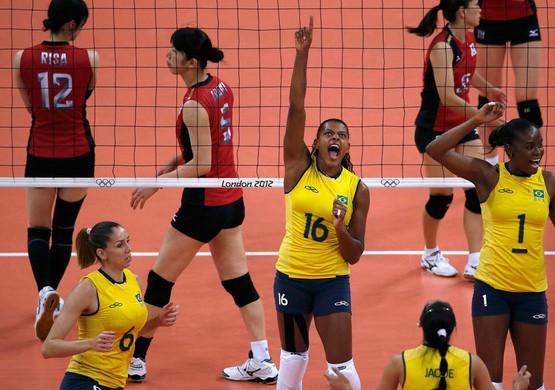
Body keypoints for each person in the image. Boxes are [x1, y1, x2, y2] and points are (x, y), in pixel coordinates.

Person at [128, 27, 278, 384]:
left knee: (159, 282)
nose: (167, 56)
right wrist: (174, 159)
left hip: (203, 204)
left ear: (191, 61)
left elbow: (202, 164)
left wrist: (156, 184)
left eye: (173, 51)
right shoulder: (220, 86)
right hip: (231, 200)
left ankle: (134, 361)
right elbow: (207, 144)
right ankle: (262, 359)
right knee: (239, 283)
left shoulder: (194, 103)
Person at [426, 102, 555, 390]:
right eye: (530, 147)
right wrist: (476, 119)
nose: (538, 152)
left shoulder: (549, 182)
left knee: (533, 383)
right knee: (489, 382)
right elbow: (435, 149)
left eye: (540, 145)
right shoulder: (489, 176)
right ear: (511, 151)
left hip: (532, 291)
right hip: (493, 288)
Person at [274, 16, 370, 390]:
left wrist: (340, 228)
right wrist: (302, 55)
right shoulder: (298, 167)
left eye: (341, 135)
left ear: (346, 148)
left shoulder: (357, 189)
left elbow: (355, 254)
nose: (335, 137)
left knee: (342, 369)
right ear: (314, 144)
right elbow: (296, 109)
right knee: (292, 364)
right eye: (328, 133)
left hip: (332, 283)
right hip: (291, 278)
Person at [14, 0, 99, 340]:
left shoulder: (22, 57)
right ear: (74, 23)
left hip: (41, 151)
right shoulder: (89, 58)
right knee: (64, 231)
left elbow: (31, 106)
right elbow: (85, 97)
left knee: (38, 230)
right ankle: (50, 294)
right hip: (79, 153)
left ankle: (45, 292)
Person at [408, 0, 507, 279]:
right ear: (462, 11)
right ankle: (430, 254)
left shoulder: (469, 38)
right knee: (441, 198)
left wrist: (490, 89)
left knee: (478, 188)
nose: (481, 10)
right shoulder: (442, 46)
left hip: (463, 126)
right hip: (434, 132)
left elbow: (467, 69)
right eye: (476, 5)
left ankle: (475, 259)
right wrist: (481, 115)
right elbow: (447, 96)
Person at [41, 221, 180, 390]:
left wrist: (157, 322)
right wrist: (90, 344)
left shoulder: (133, 281)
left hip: (115, 383)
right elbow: (49, 347)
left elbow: (127, 334)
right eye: (120, 245)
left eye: (128, 241)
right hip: (85, 379)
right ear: (102, 253)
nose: (128, 249)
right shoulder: (88, 288)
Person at [323, 300, 531, 390]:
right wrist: (517, 387)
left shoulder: (400, 363)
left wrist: (346, 388)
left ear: (420, 325)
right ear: (452, 328)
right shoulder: (472, 363)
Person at [474, 0, 543, 165]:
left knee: (527, 99)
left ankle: (533, 172)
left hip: (524, 18)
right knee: (489, 98)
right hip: (488, 19)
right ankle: (489, 171)